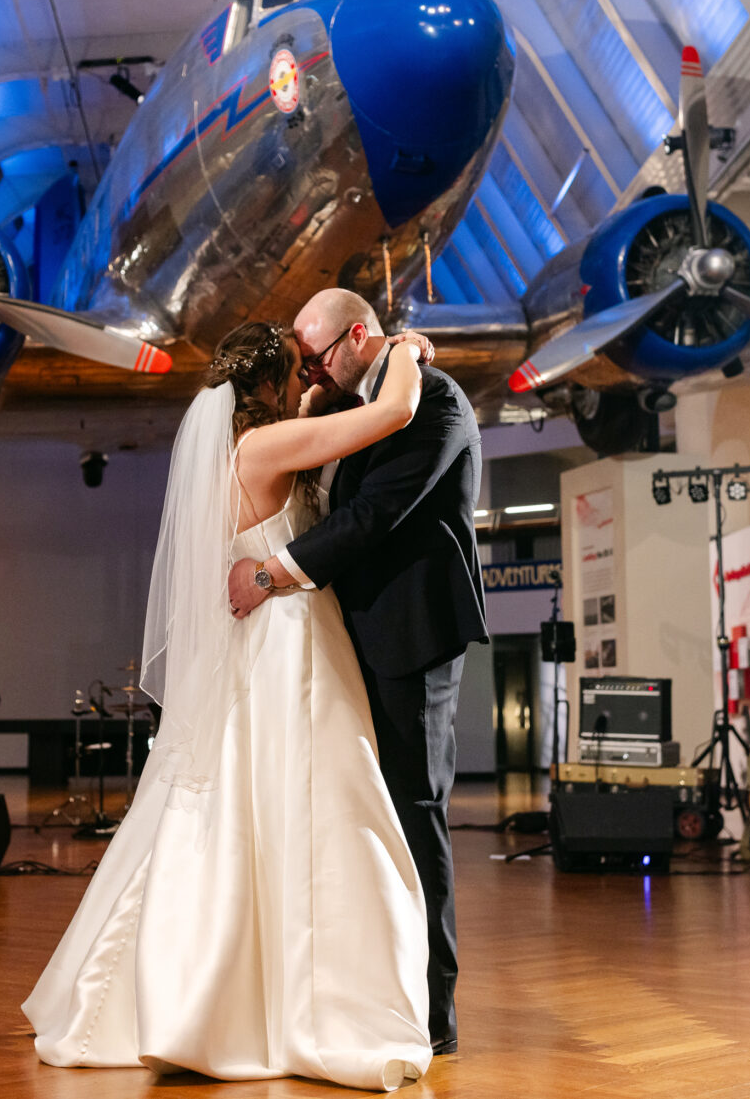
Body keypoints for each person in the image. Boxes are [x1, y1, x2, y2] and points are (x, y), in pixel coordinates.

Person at [25, 318, 436, 1090]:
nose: (306, 376)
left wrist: (314, 394)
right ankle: (290, 1002)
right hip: (290, 646)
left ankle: (220, 988)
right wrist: (408, 350)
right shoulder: (261, 450)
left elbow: (313, 431)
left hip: (269, 638)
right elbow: (391, 415)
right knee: (315, 806)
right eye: (295, 370)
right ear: (267, 385)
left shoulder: (247, 448)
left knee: (247, 810)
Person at [229, 288, 487, 1058]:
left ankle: (433, 1010)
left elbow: (372, 516)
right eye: (298, 364)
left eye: (317, 355)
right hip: (346, 639)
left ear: (356, 335)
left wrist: (272, 574)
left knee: (413, 812)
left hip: (412, 638)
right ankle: (364, 983)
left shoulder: (432, 400)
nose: (309, 371)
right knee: (356, 820)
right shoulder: (352, 396)